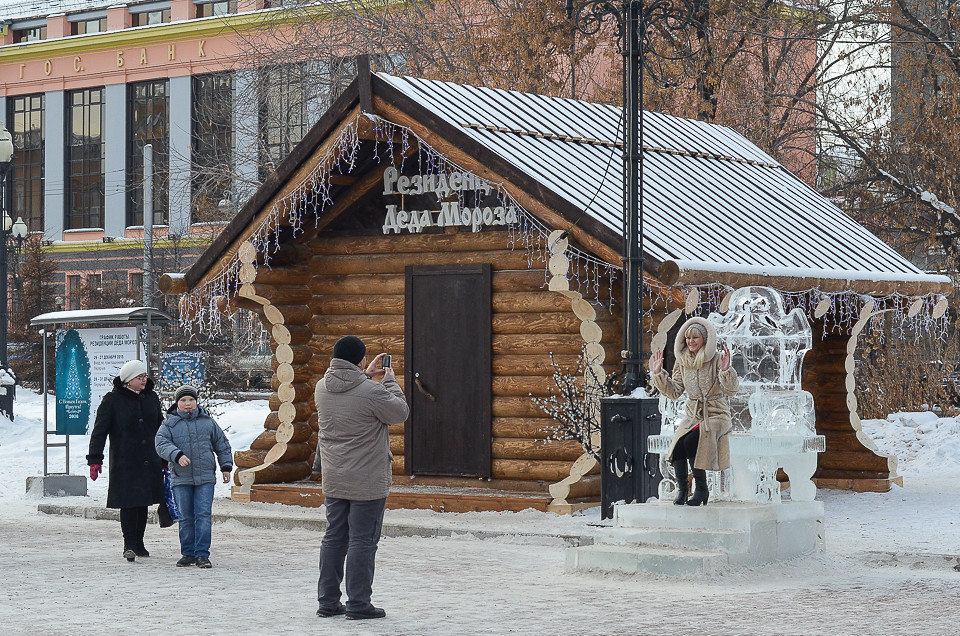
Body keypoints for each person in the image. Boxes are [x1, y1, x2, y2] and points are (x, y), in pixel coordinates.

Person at [314, 335, 409, 621]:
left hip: (334, 476)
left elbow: (350, 391)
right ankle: (358, 603)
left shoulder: (321, 387)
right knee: (362, 541)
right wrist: (389, 381)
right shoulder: (371, 391)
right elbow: (399, 412)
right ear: (361, 360)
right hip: (366, 479)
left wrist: (363, 376)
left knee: (334, 538)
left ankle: (328, 602)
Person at [649, 317, 739, 507]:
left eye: (695, 338)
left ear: (704, 340)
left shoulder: (715, 359)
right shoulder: (682, 362)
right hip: (693, 415)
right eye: (688, 338)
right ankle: (682, 490)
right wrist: (658, 374)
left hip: (716, 414)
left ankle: (701, 489)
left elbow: (731, 390)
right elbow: (674, 391)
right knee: (678, 446)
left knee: (692, 441)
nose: (691, 342)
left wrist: (725, 370)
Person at [86, 359, 166, 562]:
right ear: (128, 380)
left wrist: (165, 455)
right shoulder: (112, 400)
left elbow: (161, 427)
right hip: (125, 460)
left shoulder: (151, 398)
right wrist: (95, 458)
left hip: (150, 458)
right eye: (140, 377)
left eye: (145, 376)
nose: (144, 380)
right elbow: (100, 431)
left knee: (143, 503)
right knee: (129, 503)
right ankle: (129, 544)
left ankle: (139, 542)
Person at [155, 385, 233, 569]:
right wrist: (177, 455)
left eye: (191, 400)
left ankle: (202, 554)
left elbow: (221, 444)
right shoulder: (169, 424)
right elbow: (160, 443)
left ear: (196, 401)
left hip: (205, 476)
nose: (187, 404)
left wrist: (226, 466)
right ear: (177, 403)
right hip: (181, 478)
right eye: (183, 400)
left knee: (203, 515)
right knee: (186, 516)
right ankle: (187, 553)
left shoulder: (208, 422)